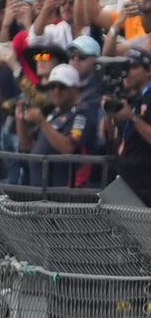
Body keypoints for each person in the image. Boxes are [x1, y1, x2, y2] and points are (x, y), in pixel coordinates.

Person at [16, 63, 98, 191]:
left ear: (76, 88)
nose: (56, 91)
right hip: (40, 191)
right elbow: (28, 146)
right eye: (52, 86)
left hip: (67, 194)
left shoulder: (82, 113)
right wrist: (20, 120)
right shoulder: (53, 113)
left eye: (62, 87)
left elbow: (68, 148)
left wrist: (41, 121)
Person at [107, 47, 151, 203]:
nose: (126, 72)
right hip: (125, 180)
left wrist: (132, 118)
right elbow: (106, 137)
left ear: (148, 70)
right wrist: (109, 116)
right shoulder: (130, 98)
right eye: (125, 68)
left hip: (144, 184)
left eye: (132, 67)